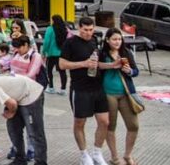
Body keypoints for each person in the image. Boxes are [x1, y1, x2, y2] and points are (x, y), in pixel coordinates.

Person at [60, 16, 120, 165]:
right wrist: (83, 64)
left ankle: (97, 152)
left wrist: (113, 65)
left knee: (104, 122)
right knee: (80, 122)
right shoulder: (70, 42)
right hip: (80, 88)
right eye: (85, 30)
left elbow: (97, 64)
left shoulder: (94, 41)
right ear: (79, 28)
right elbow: (62, 65)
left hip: (97, 87)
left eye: (91, 29)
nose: (88, 33)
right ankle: (83, 154)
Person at [101, 28, 140, 165]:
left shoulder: (126, 52)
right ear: (107, 40)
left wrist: (130, 71)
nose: (117, 42)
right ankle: (114, 156)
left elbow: (136, 71)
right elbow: (95, 68)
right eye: (114, 39)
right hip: (108, 93)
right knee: (110, 126)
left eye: (119, 39)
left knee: (133, 125)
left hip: (125, 93)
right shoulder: (102, 53)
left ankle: (127, 155)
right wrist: (110, 65)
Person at [9, 35, 45, 161]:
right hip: (15, 95)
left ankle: (39, 159)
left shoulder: (35, 56)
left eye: (19, 47)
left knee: (34, 130)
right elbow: (10, 68)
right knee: (14, 128)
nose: (17, 50)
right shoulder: (16, 54)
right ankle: (19, 157)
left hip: (31, 96)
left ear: (26, 45)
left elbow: (31, 74)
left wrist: (15, 79)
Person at [42, 14, 69, 95]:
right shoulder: (65, 29)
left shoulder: (50, 29)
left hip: (51, 54)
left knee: (49, 71)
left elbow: (46, 42)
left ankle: (51, 87)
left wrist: (44, 51)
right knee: (62, 72)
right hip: (62, 54)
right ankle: (63, 89)